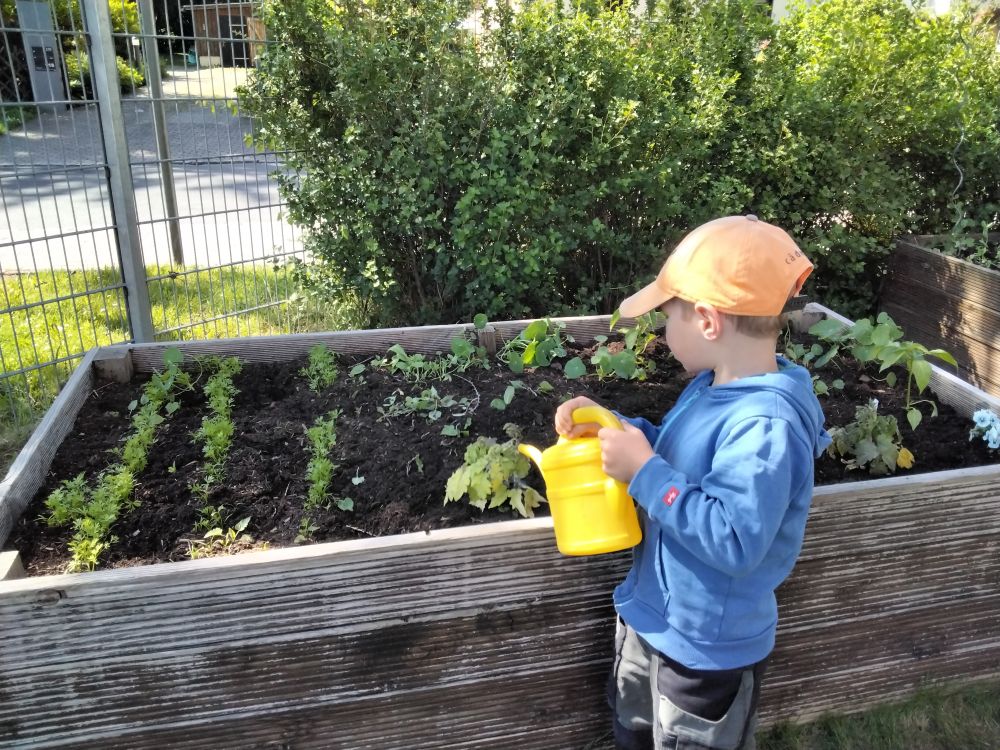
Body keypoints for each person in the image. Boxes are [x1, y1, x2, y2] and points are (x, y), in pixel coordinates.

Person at [555, 214, 831, 750]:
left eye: (667, 318)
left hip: (707, 651)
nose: (663, 334)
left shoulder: (765, 426)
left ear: (707, 321)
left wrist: (644, 472)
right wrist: (614, 428)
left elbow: (734, 539)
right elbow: (676, 454)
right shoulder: (713, 386)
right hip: (654, 618)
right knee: (633, 731)